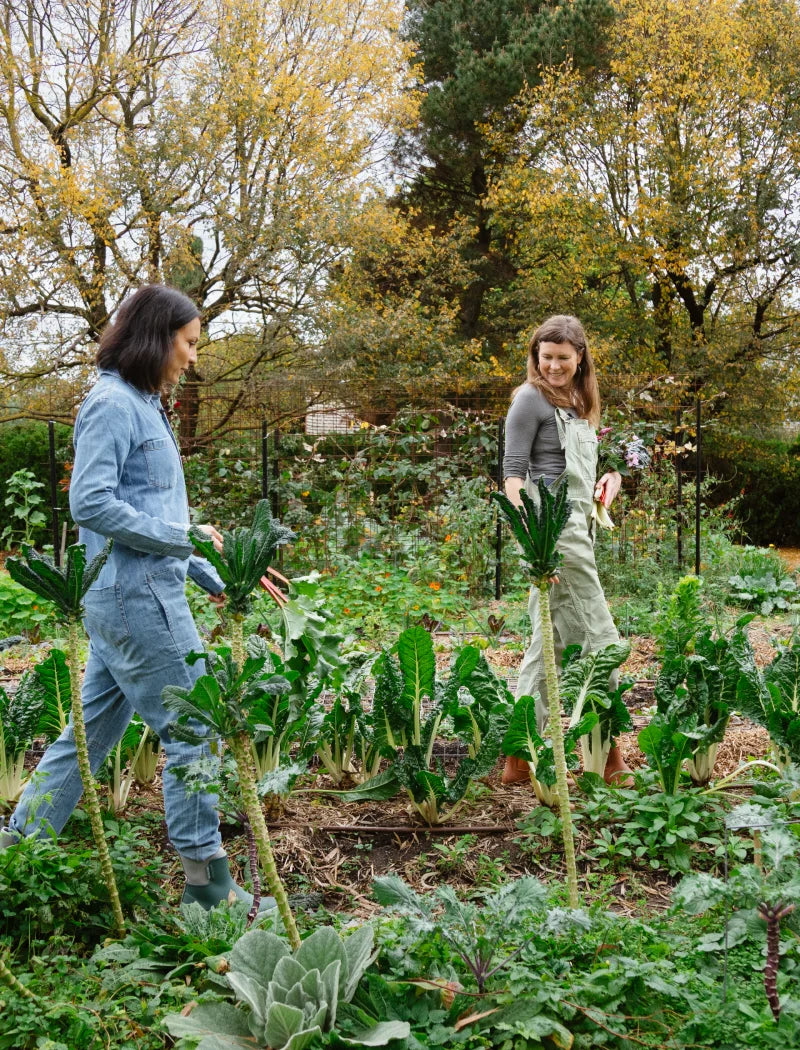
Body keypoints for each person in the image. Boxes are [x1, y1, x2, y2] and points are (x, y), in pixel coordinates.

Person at [0, 284, 265, 909]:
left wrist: (211, 572)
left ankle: (19, 850)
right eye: (190, 343)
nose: (194, 357)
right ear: (157, 336)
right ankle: (207, 891)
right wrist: (184, 538)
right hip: (136, 600)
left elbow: (154, 512)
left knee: (87, 734)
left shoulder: (146, 404)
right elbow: (90, 503)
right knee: (193, 729)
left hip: (132, 594)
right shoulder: (112, 404)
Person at [501, 314, 632, 786]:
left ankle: (518, 756)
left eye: (563, 357)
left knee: (548, 641)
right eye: (546, 356)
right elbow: (514, 476)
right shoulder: (529, 398)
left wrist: (608, 481)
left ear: (580, 359)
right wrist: (537, 544)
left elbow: (576, 467)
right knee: (602, 640)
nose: (553, 365)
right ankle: (607, 750)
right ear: (537, 356)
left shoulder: (579, 400)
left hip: (579, 526)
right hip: (553, 530)